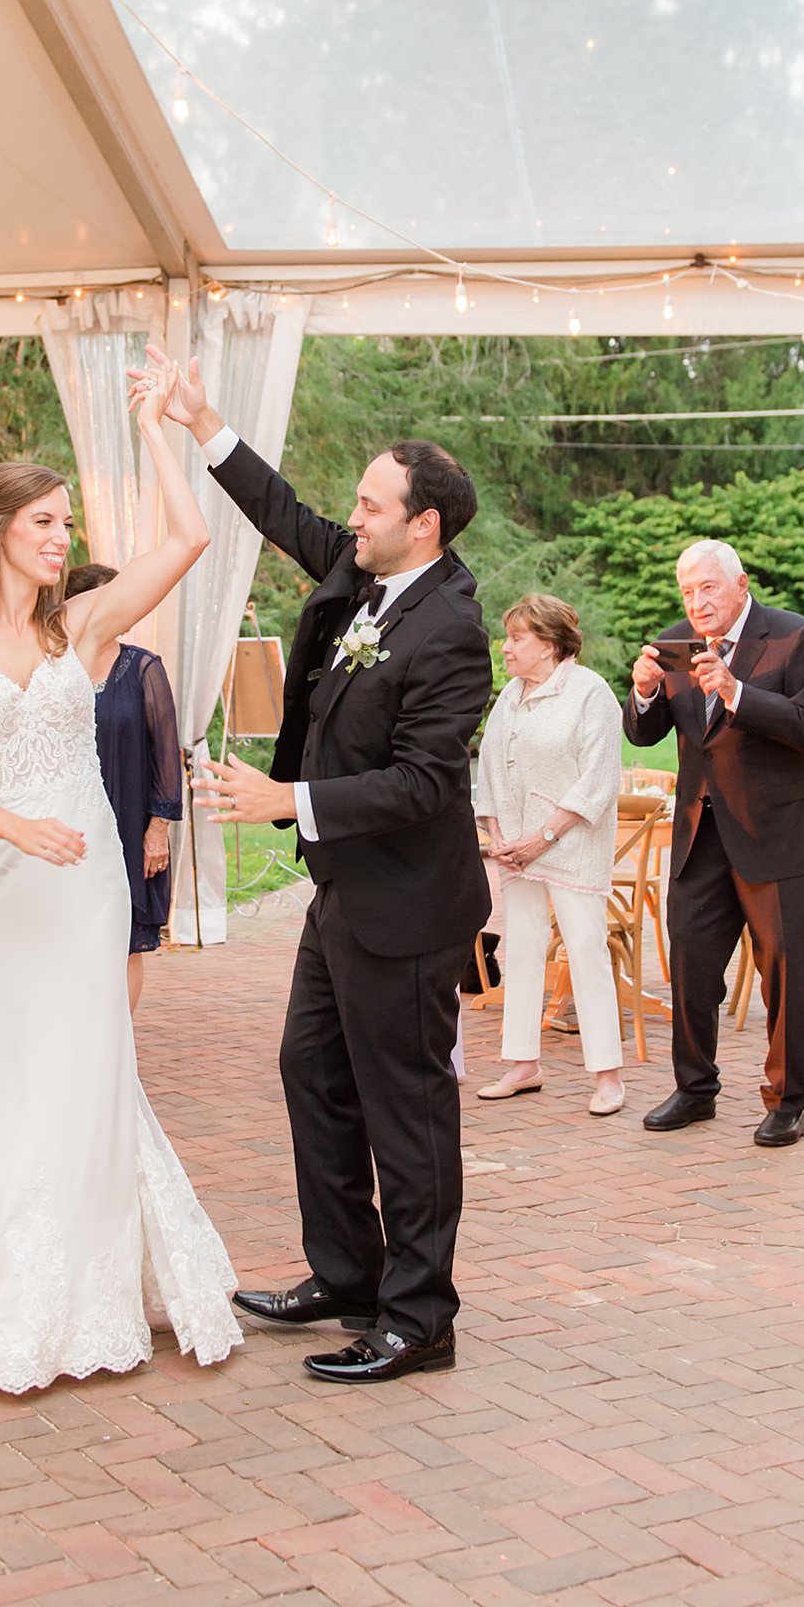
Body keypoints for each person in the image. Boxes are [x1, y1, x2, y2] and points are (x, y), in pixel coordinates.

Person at [0, 358, 241, 1396]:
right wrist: (13, 826)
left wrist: (153, 434)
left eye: (63, 524)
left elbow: (187, 540)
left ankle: (85, 1283)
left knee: (86, 1064)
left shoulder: (74, 628)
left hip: (80, 882)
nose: (59, 540)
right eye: (42, 524)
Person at [141, 345, 493, 1386]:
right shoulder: (368, 580)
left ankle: (419, 1317)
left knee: (408, 1110)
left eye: (370, 504)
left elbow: (426, 784)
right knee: (311, 1073)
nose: (352, 516)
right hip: (342, 894)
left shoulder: (450, 630)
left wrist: (286, 799)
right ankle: (346, 1274)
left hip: (409, 910)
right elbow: (288, 517)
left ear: (419, 522)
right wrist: (204, 423)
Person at [626, 540, 804, 1147]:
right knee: (690, 963)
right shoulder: (672, 644)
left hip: (782, 837)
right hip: (702, 834)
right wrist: (642, 692)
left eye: (708, 588)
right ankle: (695, 1089)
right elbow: (644, 735)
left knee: (785, 974)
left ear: (740, 584)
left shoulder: (794, 637)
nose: (696, 602)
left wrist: (736, 692)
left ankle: (786, 1100)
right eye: (687, 591)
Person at [474, 595, 625, 1116]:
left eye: (517, 638)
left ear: (550, 644)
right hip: (518, 850)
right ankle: (522, 1064)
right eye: (508, 636)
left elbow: (599, 780)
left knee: (585, 950)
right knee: (520, 947)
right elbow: (489, 769)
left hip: (571, 845)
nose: (506, 647)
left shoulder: (590, 693)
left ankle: (608, 1075)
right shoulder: (511, 696)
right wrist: (498, 837)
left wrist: (545, 836)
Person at [62, 563, 182, 1012]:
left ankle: (117, 1044)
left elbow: (166, 755)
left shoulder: (143, 667)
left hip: (129, 823)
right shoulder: (55, 668)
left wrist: (158, 830)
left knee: (124, 941)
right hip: (69, 824)